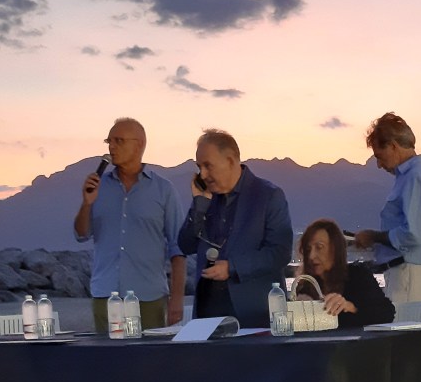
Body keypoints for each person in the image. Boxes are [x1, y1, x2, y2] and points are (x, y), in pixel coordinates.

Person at [73, 118, 185, 332]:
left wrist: (177, 299)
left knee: (149, 353)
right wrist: (86, 204)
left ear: (139, 144)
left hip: (149, 296)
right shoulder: (98, 187)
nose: (111, 147)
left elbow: (177, 247)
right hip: (105, 295)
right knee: (105, 353)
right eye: (109, 141)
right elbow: (81, 234)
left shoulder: (163, 190)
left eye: (119, 141)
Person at [178, 129, 293, 328]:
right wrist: (199, 206)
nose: (202, 174)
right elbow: (185, 245)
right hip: (207, 313)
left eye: (208, 166)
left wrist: (232, 267)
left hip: (253, 315)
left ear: (230, 161)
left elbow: (279, 253)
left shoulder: (268, 196)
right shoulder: (205, 199)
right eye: (199, 167)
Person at [354, 112, 421, 308]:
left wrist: (374, 237)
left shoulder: (416, 177)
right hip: (406, 273)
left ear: (393, 146)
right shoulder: (410, 177)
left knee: (404, 326)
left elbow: (412, 234)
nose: (379, 165)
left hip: (410, 275)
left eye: (379, 156)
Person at [295, 219, 395, 328]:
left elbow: (386, 313)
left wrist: (350, 307)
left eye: (319, 247)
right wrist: (299, 311)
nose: (311, 256)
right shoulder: (305, 286)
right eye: (308, 249)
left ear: (335, 249)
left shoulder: (358, 277)